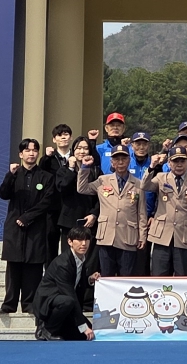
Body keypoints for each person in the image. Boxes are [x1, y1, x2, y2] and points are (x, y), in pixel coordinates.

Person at [0, 139, 55, 314]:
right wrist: (10, 175)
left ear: (38, 153)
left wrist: (28, 217)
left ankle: (29, 304)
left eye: (34, 150)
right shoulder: (15, 174)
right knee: (14, 266)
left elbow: (47, 201)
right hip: (15, 228)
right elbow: (4, 194)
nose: (31, 153)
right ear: (20, 154)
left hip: (36, 227)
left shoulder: (46, 177)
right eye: (27, 150)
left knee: (34, 266)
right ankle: (9, 304)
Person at [77, 145, 147, 277]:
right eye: (117, 159)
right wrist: (85, 167)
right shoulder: (103, 180)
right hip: (106, 236)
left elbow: (142, 213)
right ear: (112, 162)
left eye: (123, 159)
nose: (120, 162)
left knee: (126, 277)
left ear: (129, 160)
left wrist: (142, 236)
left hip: (128, 236)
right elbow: (82, 188)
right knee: (106, 275)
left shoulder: (138, 183)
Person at [142, 147, 187, 276]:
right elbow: (145, 186)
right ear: (169, 163)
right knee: (159, 275)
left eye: (182, 161)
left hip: (183, 235)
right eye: (176, 161)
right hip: (162, 235)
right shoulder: (161, 178)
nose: (179, 164)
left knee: (182, 275)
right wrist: (151, 167)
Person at [55, 136, 101, 310]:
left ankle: (87, 302)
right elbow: (62, 187)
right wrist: (71, 167)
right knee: (70, 262)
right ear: (73, 151)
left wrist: (94, 214)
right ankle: (69, 299)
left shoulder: (96, 171)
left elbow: (102, 195)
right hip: (70, 223)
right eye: (78, 148)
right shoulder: (65, 169)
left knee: (90, 263)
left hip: (90, 223)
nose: (82, 151)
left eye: (85, 148)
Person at [32, 227, 100, 341]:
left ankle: (58, 329)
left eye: (86, 240)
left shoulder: (81, 258)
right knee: (68, 302)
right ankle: (46, 330)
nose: (84, 244)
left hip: (64, 304)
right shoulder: (63, 264)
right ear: (70, 242)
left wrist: (89, 279)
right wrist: (83, 326)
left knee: (88, 335)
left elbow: (75, 280)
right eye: (79, 240)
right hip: (48, 303)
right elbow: (69, 294)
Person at [39, 124, 73, 265]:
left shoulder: (76, 157)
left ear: (71, 137)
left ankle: (68, 274)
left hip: (70, 207)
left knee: (69, 243)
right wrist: (46, 157)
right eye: (60, 135)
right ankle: (50, 277)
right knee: (50, 242)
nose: (63, 137)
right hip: (52, 208)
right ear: (54, 139)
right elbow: (40, 173)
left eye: (66, 134)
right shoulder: (49, 158)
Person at [128, 132, 154, 276]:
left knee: (143, 256)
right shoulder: (126, 162)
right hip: (129, 216)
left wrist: (155, 213)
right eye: (138, 144)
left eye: (144, 144)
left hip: (148, 217)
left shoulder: (154, 165)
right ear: (132, 145)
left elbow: (160, 191)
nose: (141, 147)